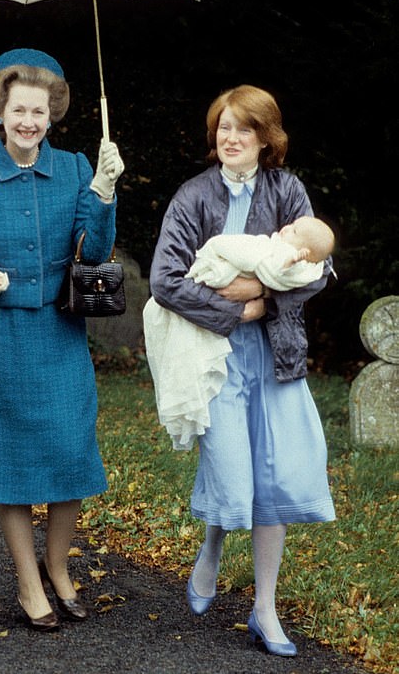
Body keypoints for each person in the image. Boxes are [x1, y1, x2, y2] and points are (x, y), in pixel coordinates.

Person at [148, 84, 336, 658]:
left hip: (277, 355)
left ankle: (265, 608)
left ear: (265, 138)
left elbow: (319, 270)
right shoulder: (192, 196)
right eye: (223, 128)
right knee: (233, 470)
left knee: (274, 479)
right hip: (216, 357)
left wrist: (261, 294)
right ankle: (212, 545)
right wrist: (237, 310)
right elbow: (163, 280)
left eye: (243, 129)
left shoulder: (288, 190)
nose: (231, 138)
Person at [0, 48, 124, 632]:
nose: (28, 122)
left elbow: (93, 252)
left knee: (70, 451)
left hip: (58, 328)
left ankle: (59, 566)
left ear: (53, 114)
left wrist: (102, 191)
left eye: (39, 112)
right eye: (18, 110)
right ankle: (28, 580)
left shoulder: (75, 167)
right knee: (11, 459)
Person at [144, 216, 335, 450]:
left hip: (260, 337)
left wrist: (267, 286)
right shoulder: (275, 244)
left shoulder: (296, 259)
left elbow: (280, 269)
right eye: (292, 225)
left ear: (304, 251)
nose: (286, 228)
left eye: (294, 230)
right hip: (223, 288)